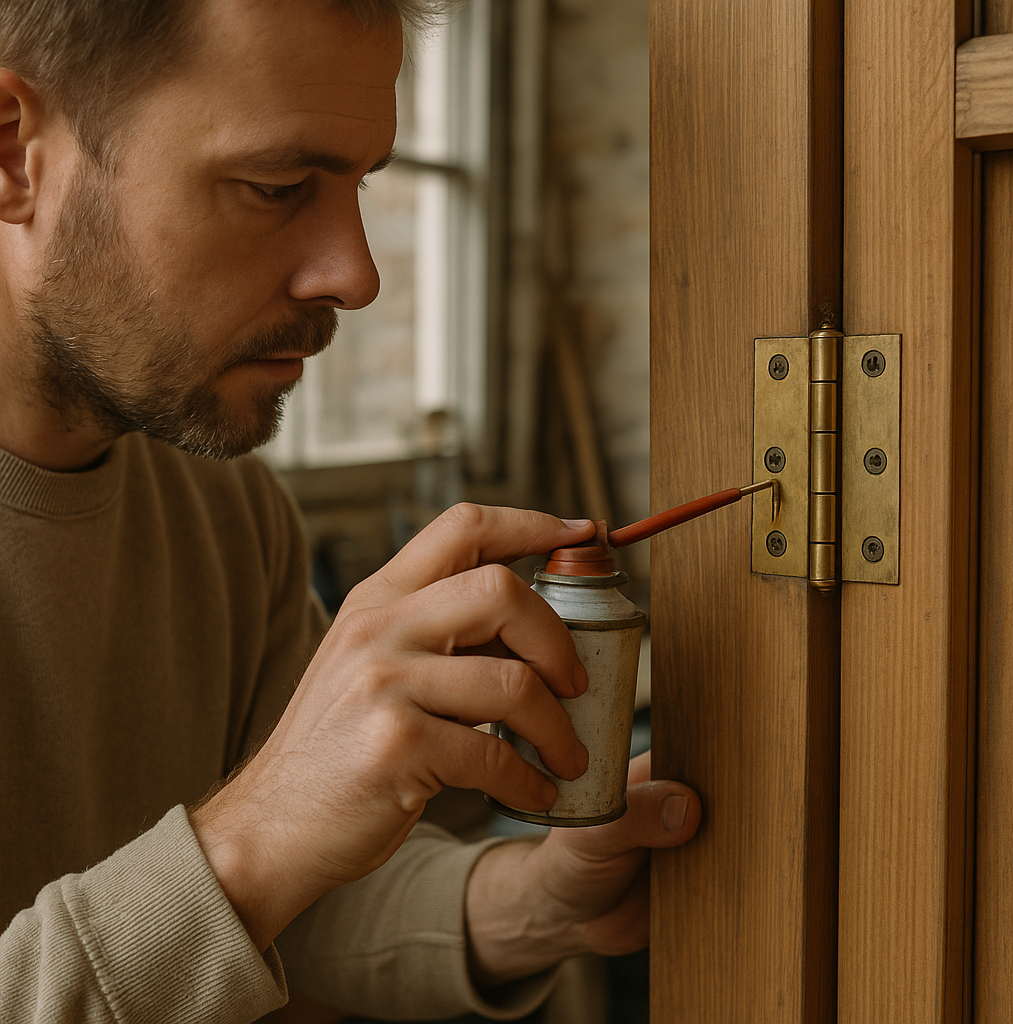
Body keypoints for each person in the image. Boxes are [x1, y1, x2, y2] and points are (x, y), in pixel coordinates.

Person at [0, 0, 702, 1020]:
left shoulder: (226, 508)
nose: (357, 274)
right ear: (17, 154)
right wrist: (250, 835)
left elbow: (286, 911)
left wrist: (527, 903)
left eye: (359, 182)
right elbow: (247, 867)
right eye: (276, 186)